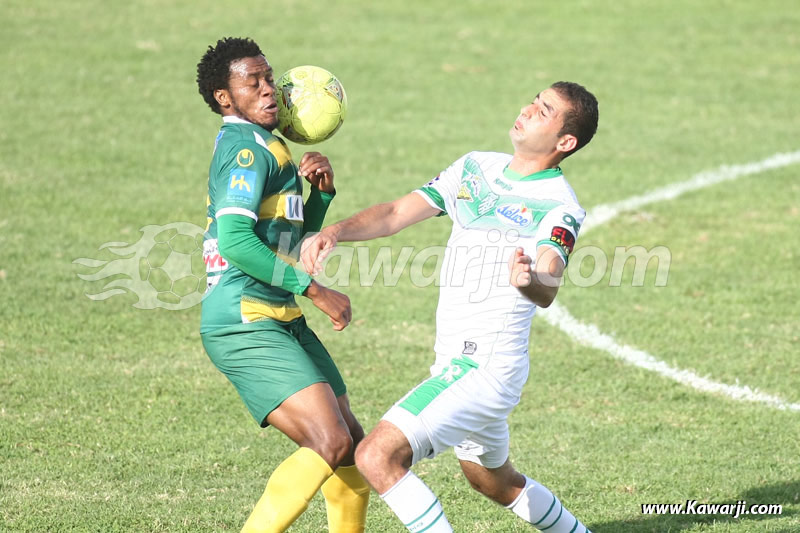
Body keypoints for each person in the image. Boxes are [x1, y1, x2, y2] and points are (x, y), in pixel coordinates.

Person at [301, 82, 598, 533]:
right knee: (493, 482)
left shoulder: (559, 207)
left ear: (566, 142)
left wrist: (530, 281)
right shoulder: (475, 167)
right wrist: (335, 231)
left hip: (482, 369)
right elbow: (395, 213)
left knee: (376, 455)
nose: (526, 109)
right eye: (534, 101)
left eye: (544, 111)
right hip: (456, 363)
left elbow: (549, 281)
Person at [195, 37, 369, 533]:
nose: (271, 90)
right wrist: (315, 290)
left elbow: (282, 240)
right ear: (225, 98)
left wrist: (320, 198)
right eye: (254, 83)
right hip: (244, 319)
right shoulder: (246, 152)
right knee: (330, 441)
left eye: (270, 79)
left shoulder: (269, 147)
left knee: (351, 448)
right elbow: (235, 241)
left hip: (277, 314)